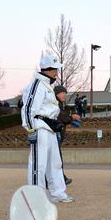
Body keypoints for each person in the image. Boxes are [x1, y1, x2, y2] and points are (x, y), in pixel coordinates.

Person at [21, 55, 74, 203]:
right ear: (48, 70)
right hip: (40, 127)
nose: (57, 72)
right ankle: (35, 198)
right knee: (39, 163)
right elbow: (28, 109)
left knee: (55, 163)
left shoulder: (46, 86)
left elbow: (52, 109)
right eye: (55, 69)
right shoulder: (37, 85)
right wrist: (31, 130)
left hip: (49, 127)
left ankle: (58, 193)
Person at [54, 85, 81, 186]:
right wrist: (71, 117)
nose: (65, 95)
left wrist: (70, 118)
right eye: (63, 93)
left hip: (57, 136)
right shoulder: (55, 103)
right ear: (57, 94)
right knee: (56, 159)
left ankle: (60, 178)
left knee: (56, 159)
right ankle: (60, 179)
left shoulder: (59, 104)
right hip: (55, 136)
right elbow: (61, 116)